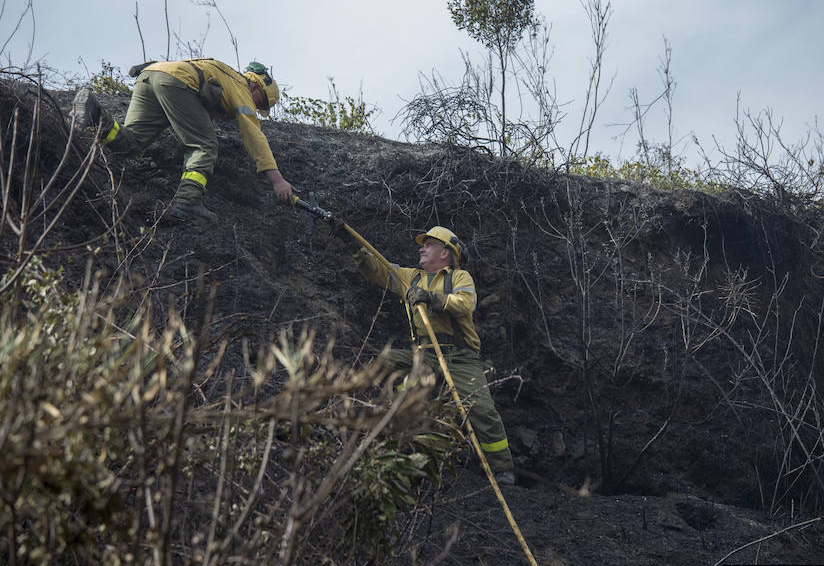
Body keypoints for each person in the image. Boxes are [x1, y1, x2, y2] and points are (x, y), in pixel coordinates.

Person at [345, 225, 516, 485]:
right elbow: (376, 269)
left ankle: (502, 469)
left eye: (429, 245)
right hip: (424, 354)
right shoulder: (410, 277)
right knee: (386, 363)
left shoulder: (460, 277)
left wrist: (431, 298)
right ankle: (379, 430)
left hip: (460, 357)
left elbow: (465, 303)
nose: (421, 248)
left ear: (445, 253)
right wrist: (351, 243)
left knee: (482, 409)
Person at [72, 58, 295, 223]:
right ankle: (187, 203)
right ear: (256, 86)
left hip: (150, 76)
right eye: (261, 102)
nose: (257, 107)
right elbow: (253, 135)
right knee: (204, 145)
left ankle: (94, 113)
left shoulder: (224, 73)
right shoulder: (241, 86)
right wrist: (277, 180)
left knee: (132, 143)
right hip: (176, 82)